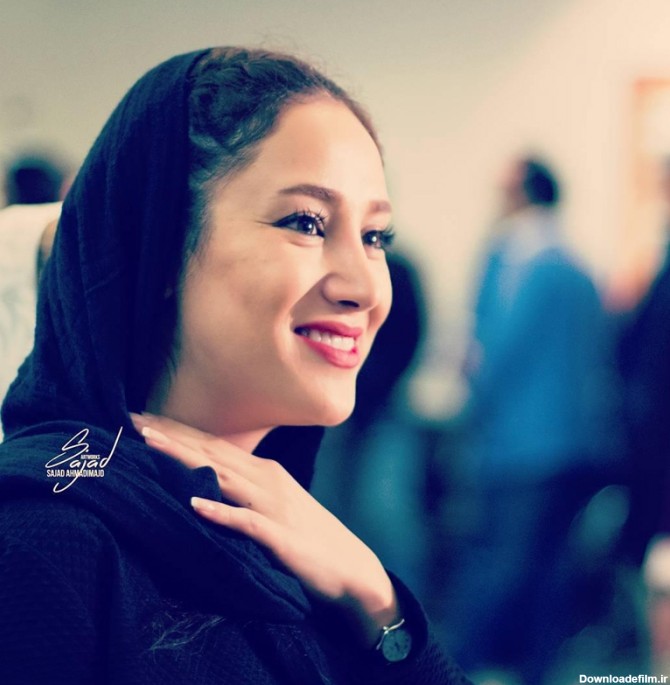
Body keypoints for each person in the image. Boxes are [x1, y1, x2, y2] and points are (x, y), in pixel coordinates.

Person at [0, 48, 469, 684]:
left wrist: (379, 606)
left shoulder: (302, 545)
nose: (364, 286)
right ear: (160, 247)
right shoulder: (42, 542)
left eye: (374, 236)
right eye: (306, 222)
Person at [445, 157, 610, 683]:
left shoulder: (514, 257)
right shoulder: (579, 264)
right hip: (577, 445)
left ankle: (454, 668)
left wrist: (468, 398)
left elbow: (494, 355)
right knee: (553, 566)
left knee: (499, 561)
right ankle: (539, 670)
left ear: (519, 194)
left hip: (520, 445)